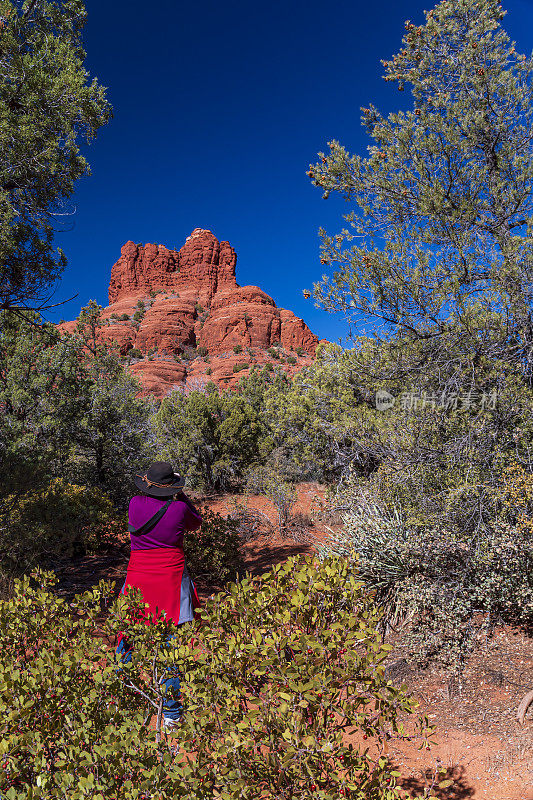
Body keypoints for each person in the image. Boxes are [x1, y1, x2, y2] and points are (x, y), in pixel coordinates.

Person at [115, 461, 202, 731]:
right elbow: (196, 523)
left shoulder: (134, 504)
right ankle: (172, 715)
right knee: (170, 645)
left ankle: (122, 700)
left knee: (127, 637)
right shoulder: (178, 509)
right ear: (172, 487)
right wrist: (182, 495)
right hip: (170, 580)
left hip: (138, 577)